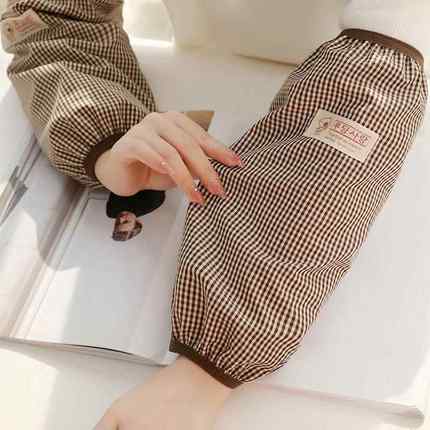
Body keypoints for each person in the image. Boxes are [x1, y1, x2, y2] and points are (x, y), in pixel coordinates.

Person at [1, 1, 429, 429]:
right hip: (202, 65)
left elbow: (373, 85)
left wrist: (205, 372)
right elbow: (55, 16)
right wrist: (105, 142)